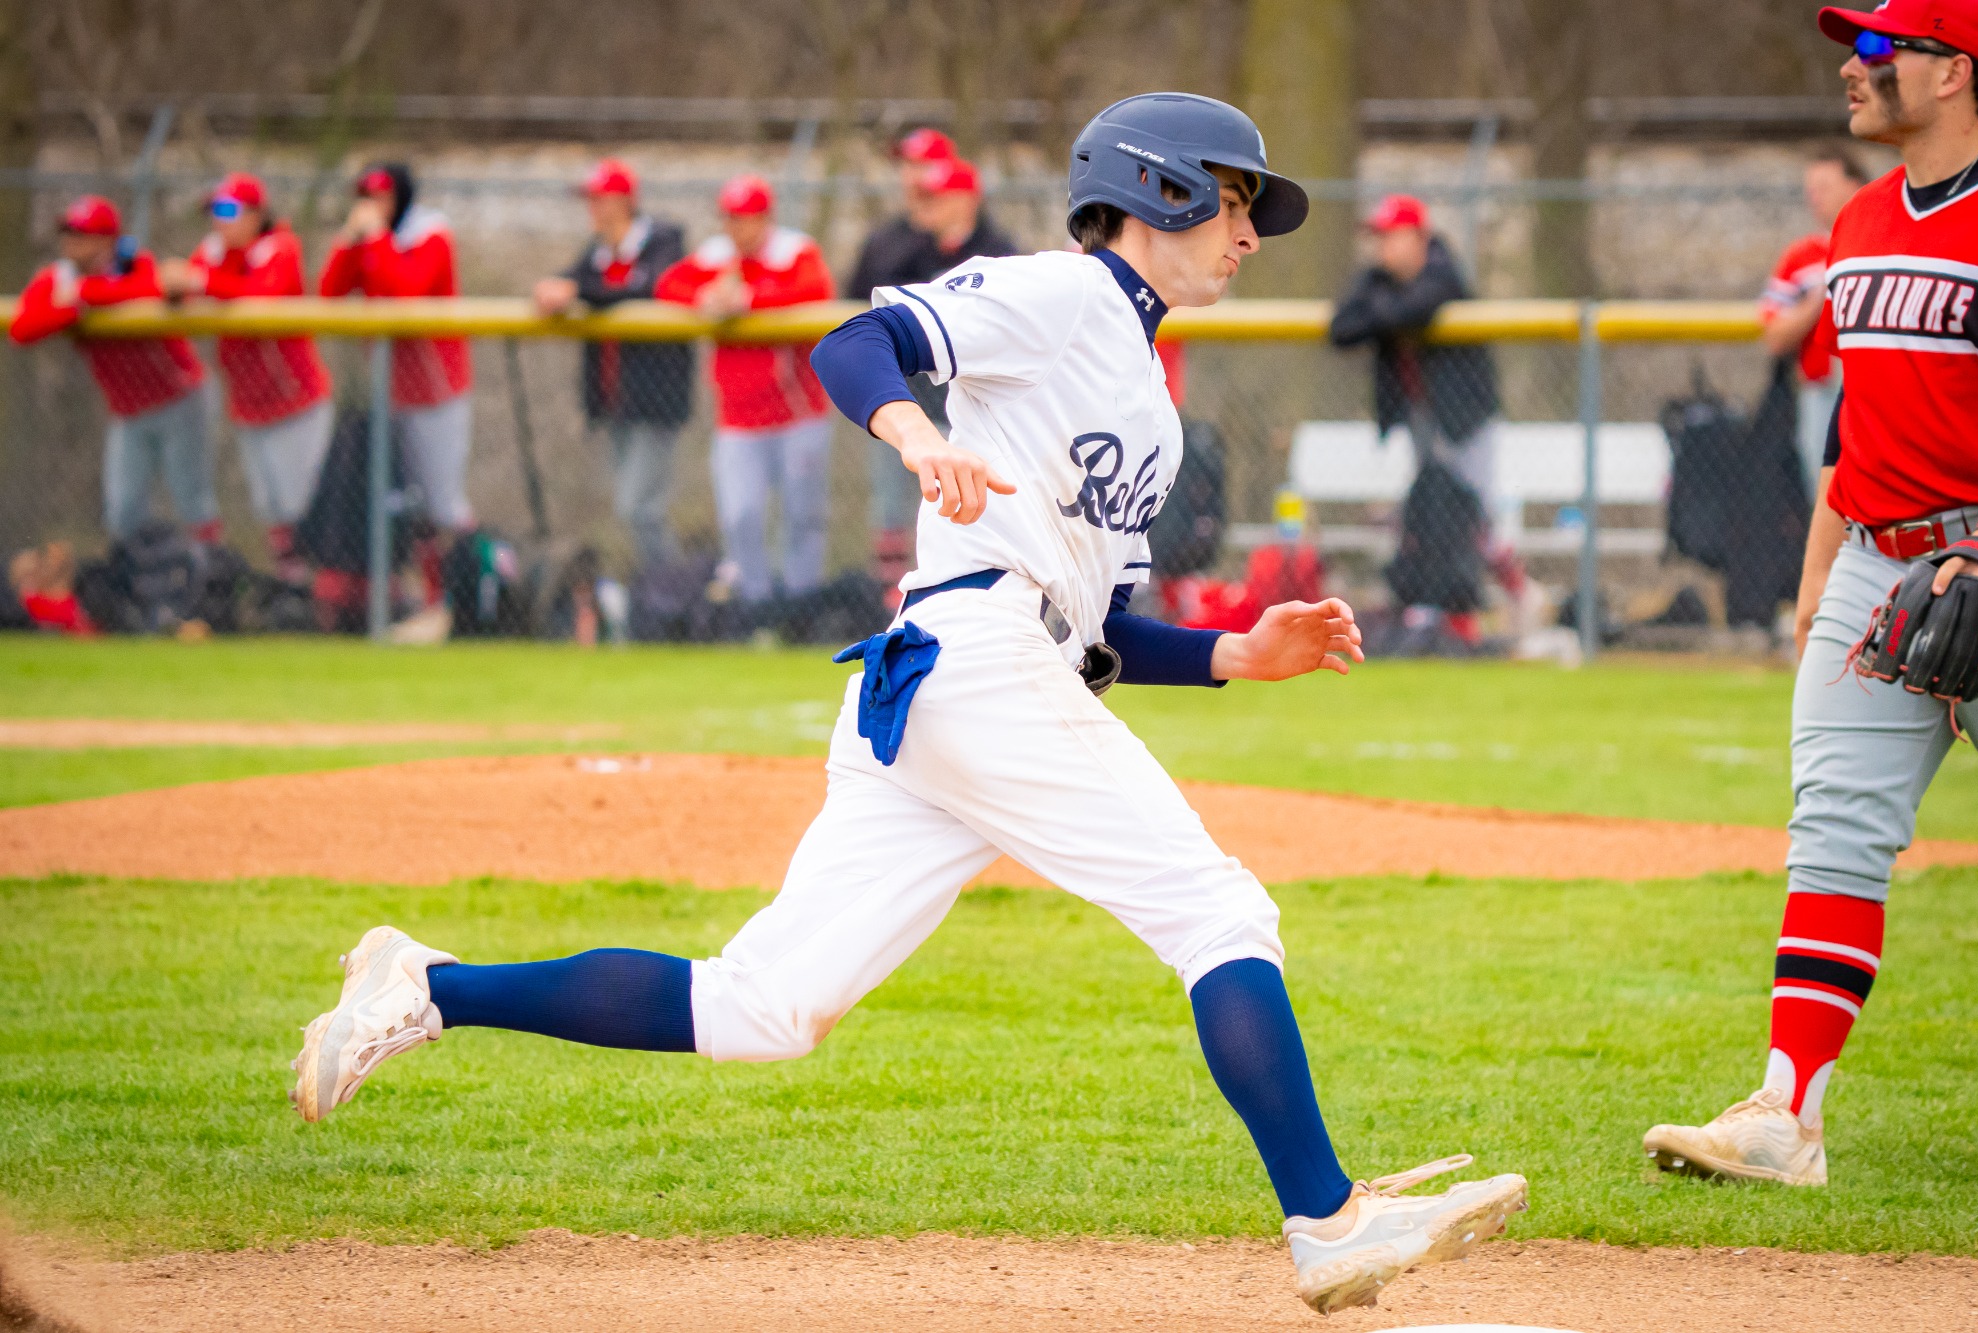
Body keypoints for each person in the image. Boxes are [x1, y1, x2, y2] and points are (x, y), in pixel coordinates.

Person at [288, 93, 1527, 1316]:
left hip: (964, 672)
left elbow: (1098, 636)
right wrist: (910, 433)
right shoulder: (1064, 290)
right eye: (1237, 201)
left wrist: (1233, 658)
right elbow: (852, 344)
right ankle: (1325, 1218)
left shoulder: (1149, 397)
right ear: (1163, 190)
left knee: (758, 1006)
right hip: (972, 653)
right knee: (1215, 910)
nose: (1247, 236)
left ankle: (426, 987)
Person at [1644, 0, 1978, 1188]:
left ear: (1953, 71)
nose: (1852, 69)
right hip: (1875, 563)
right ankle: (1784, 1115)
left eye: (1877, 50)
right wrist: (1815, 582)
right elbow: (1858, 425)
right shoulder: (1856, 218)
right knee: (1833, 837)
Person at [1330, 194, 1530, 650]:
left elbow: (1412, 310)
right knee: (1432, 516)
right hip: (1419, 417)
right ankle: (1449, 619)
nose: (1383, 248)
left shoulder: (1443, 271)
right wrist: (1382, 309)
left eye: (1392, 236)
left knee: (1474, 516)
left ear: (1419, 237)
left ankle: (1516, 602)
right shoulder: (1378, 279)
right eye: (1378, 238)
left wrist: (1376, 312)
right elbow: (1342, 327)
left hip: (1464, 418)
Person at [655, 174, 835, 611]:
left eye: (747, 219)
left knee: (802, 516)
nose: (738, 228)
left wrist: (750, 298)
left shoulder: (795, 251)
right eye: (731, 219)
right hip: (737, 416)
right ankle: (754, 604)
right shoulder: (716, 255)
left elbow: (815, 291)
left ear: (766, 218)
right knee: (741, 516)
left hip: (797, 412)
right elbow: (667, 287)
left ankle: (801, 602)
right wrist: (708, 295)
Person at [846, 148, 1021, 593]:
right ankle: (890, 597)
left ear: (966, 200)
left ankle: (961, 590)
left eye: (936, 198)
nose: (923, 208)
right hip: (906, 401)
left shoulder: (999, 254)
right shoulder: (900, 246)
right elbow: (857, 300)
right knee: (891, 506)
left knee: (965, 505)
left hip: (974, 408)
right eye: (922, 199)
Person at [8, 195, 216, 545]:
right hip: (127, 411)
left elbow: (152, 288)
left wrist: (82, 295)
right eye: (68, 232)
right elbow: (22, 329)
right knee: (122, 509)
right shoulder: (59, 276)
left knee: (191, 500)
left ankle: (211, 575)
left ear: (107, 240)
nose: (70, 241)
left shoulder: (134, 262)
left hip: (178, 399)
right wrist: (74, 307)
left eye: (82, 233)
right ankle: (134, 576)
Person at [159, 172, 333, 580]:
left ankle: (322, 589)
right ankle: (293, 590)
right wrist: (173, 285)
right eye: (214, 212)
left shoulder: (280, 246)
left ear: (257, 214)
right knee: (269, 506)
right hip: (248, 403)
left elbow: (263, 294)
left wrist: (200, 281)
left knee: (300, 503)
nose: (219, 221)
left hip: (296, 401)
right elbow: (188, 288)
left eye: (228, 210)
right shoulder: (215, 250)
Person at [319, 162, 473, 606]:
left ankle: (465, 600)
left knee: (443, 503)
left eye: (382, 196)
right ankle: (428, 601)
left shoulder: (431, 234)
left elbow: (406, 293)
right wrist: (349, 241)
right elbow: (330, 292)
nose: (372, 206)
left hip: (437, 392)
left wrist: (376, 239)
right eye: (366, 197)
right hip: (393, 392)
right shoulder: (371, 240)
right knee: (407, 504)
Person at [532, 158, 694, 574]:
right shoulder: (598, 251)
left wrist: (578, 289)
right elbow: (571, 279)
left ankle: (672, 592)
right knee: (631, 507)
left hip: (655, 401)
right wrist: (554, 286)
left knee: (639, 507)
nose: (594, 208)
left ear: (625, 201)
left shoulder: (663, 240)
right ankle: (659, 593)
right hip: (614, 399)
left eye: (601, 199)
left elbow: (646, 286)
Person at [1761, 147, 1870, 492]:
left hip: (1877, 393)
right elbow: (1774, 335)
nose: (1814, 196)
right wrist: (1818, 297)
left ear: (1854, 185)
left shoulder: (1884, 245)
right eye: (1810, 187)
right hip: (1821, 393)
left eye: (1824, 185)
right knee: (1826, 495)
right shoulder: (1803, 255)